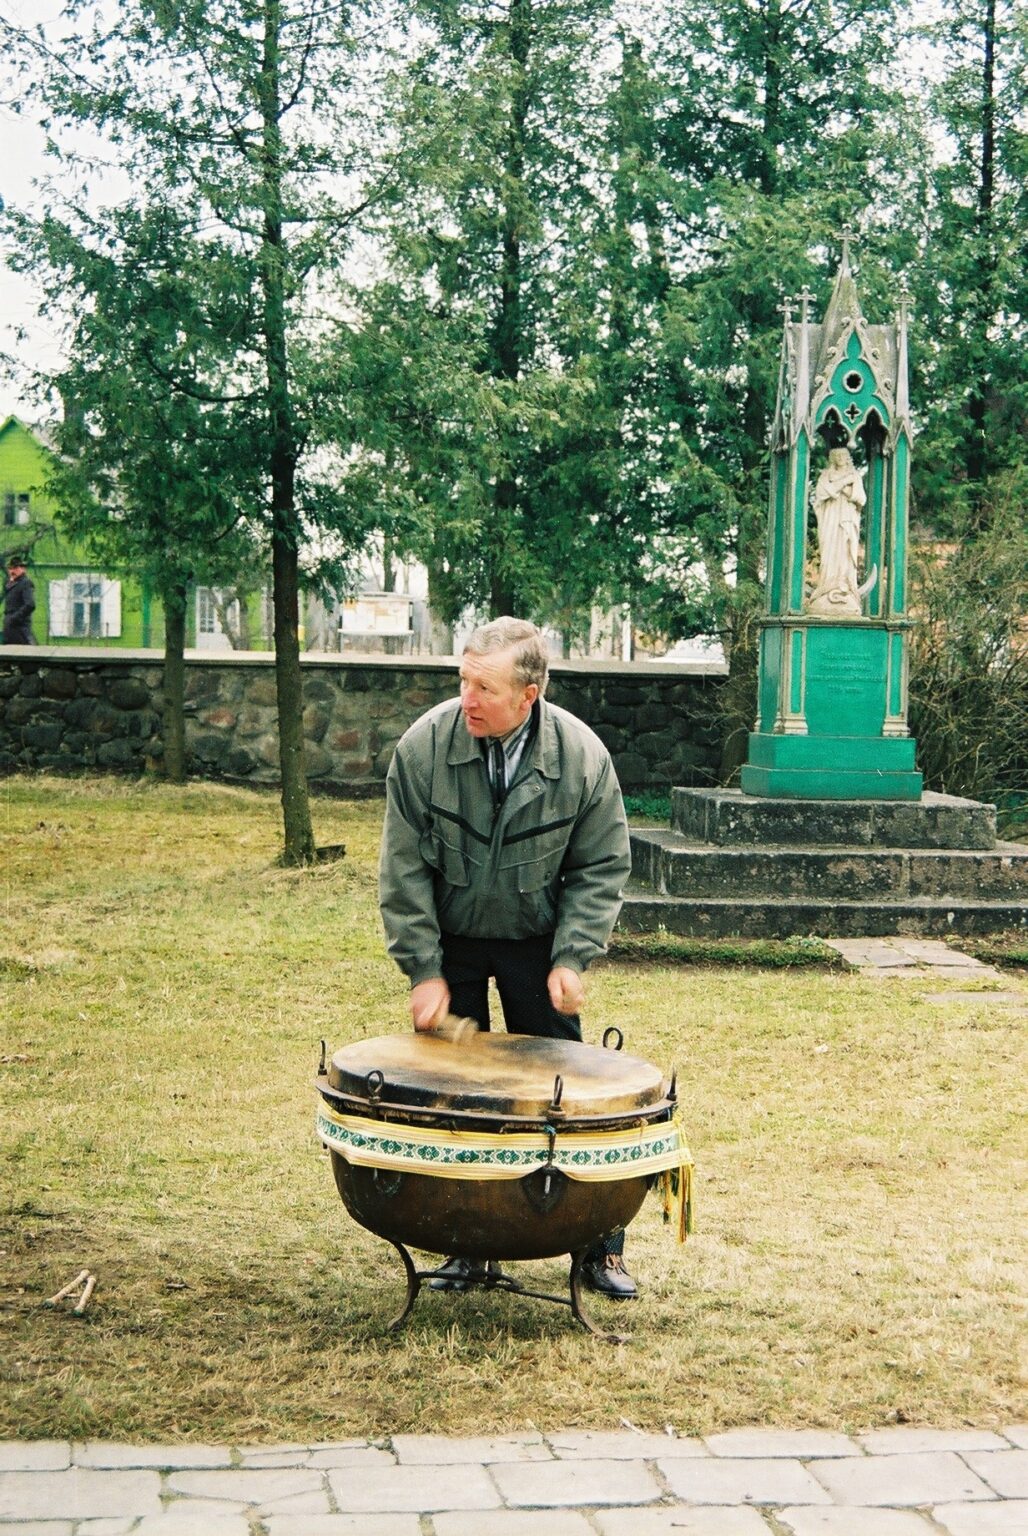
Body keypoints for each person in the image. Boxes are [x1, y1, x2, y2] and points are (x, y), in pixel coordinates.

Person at [379, 616, 637, 1298]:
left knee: (566, 1096)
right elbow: (402, 870)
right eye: (462, 679)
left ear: (529, 695)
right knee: (452, 1097)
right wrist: (424, 972)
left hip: (538, 942)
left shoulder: (582, 759)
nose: (466, 697)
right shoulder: (422, 749)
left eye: (483, 686)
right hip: (453, 938)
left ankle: (597, 1247)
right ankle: (467, 1245)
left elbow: (602, 865)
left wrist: (573, 959)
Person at [807, 446, 867, 616]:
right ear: (832, 458)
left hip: (847, 521)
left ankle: (844, 587)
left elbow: (861, 499)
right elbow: (822, 493)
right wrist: (843, 483)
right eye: (837, 455)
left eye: (844, 455)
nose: (841, 458)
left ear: (848, 458)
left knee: (845, 553)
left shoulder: (854, 476)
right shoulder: (826, 475)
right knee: (829, 551)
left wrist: (843, 489)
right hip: (831, 520)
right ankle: (827, 587)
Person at [2, 556, 36, 644]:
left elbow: (30, 604)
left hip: (20, 628)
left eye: (16, 568)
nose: (12, 571)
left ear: (23, 569)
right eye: (10, 568)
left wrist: (14, 618)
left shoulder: (26, 583)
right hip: (9, 628)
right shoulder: (9, 584)